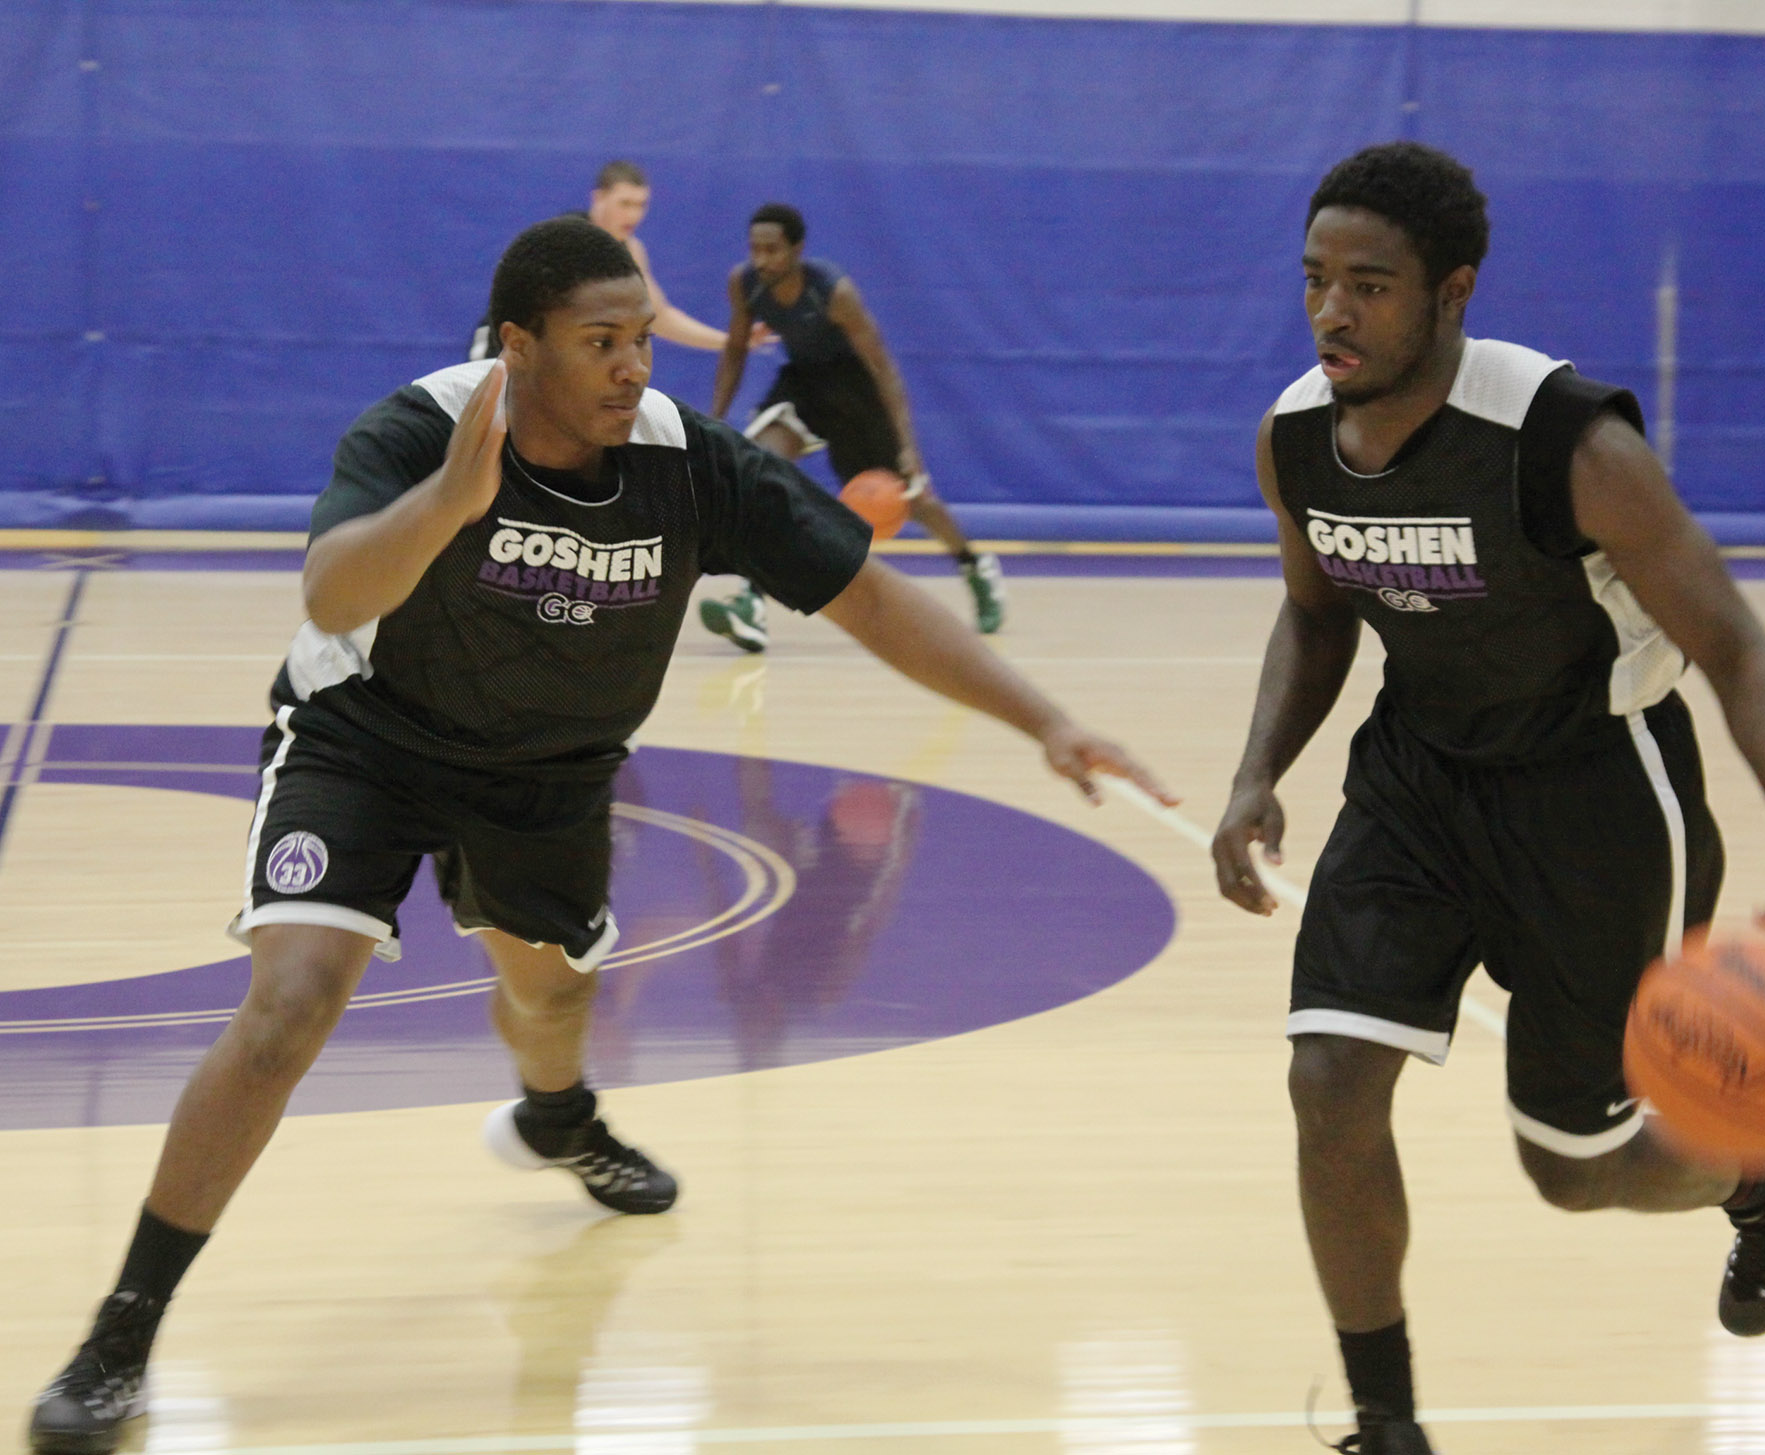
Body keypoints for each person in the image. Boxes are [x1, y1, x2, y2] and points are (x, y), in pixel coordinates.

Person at [27, 216, 1171, 1455]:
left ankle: (557, 1116)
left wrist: (1045, 721)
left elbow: (873, 603)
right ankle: (119, 1338)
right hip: (368, 742)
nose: (634, 366)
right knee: (286, 1013)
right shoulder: (421, 429)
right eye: (600, 342)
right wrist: (451, 502)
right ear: (520, 349)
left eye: (639, 339)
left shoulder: (691, 462)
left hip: (549, 777)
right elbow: (332, 592)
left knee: (553, 994)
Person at [1209, 143, 1765, 1455]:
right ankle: (1385, 1423)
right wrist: (1255, 774)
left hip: (1600, 791)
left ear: (1450, 291)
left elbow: (1736, 647)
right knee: (1329, 1079)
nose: (1333, 312)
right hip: (1416, 777)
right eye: (1315, 282)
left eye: (1370, 285)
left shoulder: (1570, 443)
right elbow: (1312, 615)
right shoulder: (1297, 436)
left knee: (1573, 1167)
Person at [703, 203, 1004, 651]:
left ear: (797, 249)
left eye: (773, 250)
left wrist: (908, 448)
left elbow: (884, 369)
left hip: (855, 392)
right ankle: (751, 604)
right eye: (755, 249)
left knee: (916, 498)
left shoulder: (833, 292)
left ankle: (973, 565)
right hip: (802, 386)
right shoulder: (744, 283)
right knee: (759, 474)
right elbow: (734, 352)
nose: (762, 259)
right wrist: (715, 421)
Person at [467, 160, 757, 359]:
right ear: (599, 198)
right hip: (505, 344)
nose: (634, 215)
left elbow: (661, 318)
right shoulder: (566, 238)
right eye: (625, 203)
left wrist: (732, 342)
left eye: (641, 205)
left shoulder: (632, 251)